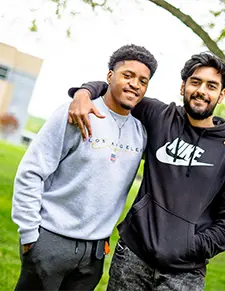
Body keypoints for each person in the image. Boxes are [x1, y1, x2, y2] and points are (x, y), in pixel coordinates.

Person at [67, 52, 225, 291]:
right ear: (183, 86)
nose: (201, 91)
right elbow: (119, 89)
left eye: (211, 85)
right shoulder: (159, 116)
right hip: (133, 256)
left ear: (221, 95)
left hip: (185, 273)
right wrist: (83, 93)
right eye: (195, 82)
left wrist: (189, 246)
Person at [11, 44, 158, 291]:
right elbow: (31, 172)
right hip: (50, 240)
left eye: (143, 81)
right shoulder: (75, 113)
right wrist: (29, 235)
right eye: (128, 75)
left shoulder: (141, 132)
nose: (135, 84)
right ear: (110, 76)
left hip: (94, 255)